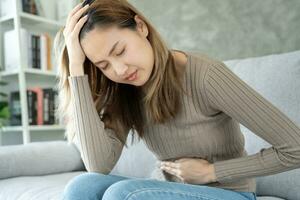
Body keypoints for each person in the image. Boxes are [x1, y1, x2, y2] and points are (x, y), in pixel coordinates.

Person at [54, 0, 300, 199]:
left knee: (122, 195)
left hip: (229, 193)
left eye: (119, 51)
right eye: (103, 64)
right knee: (82, 186)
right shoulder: (123, 90)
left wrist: (212, 171)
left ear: (141, 27)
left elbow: (295, 148)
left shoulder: (205, 75)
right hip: (165, 190)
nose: (119, 69)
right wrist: (76, 68)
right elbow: (98, 166)